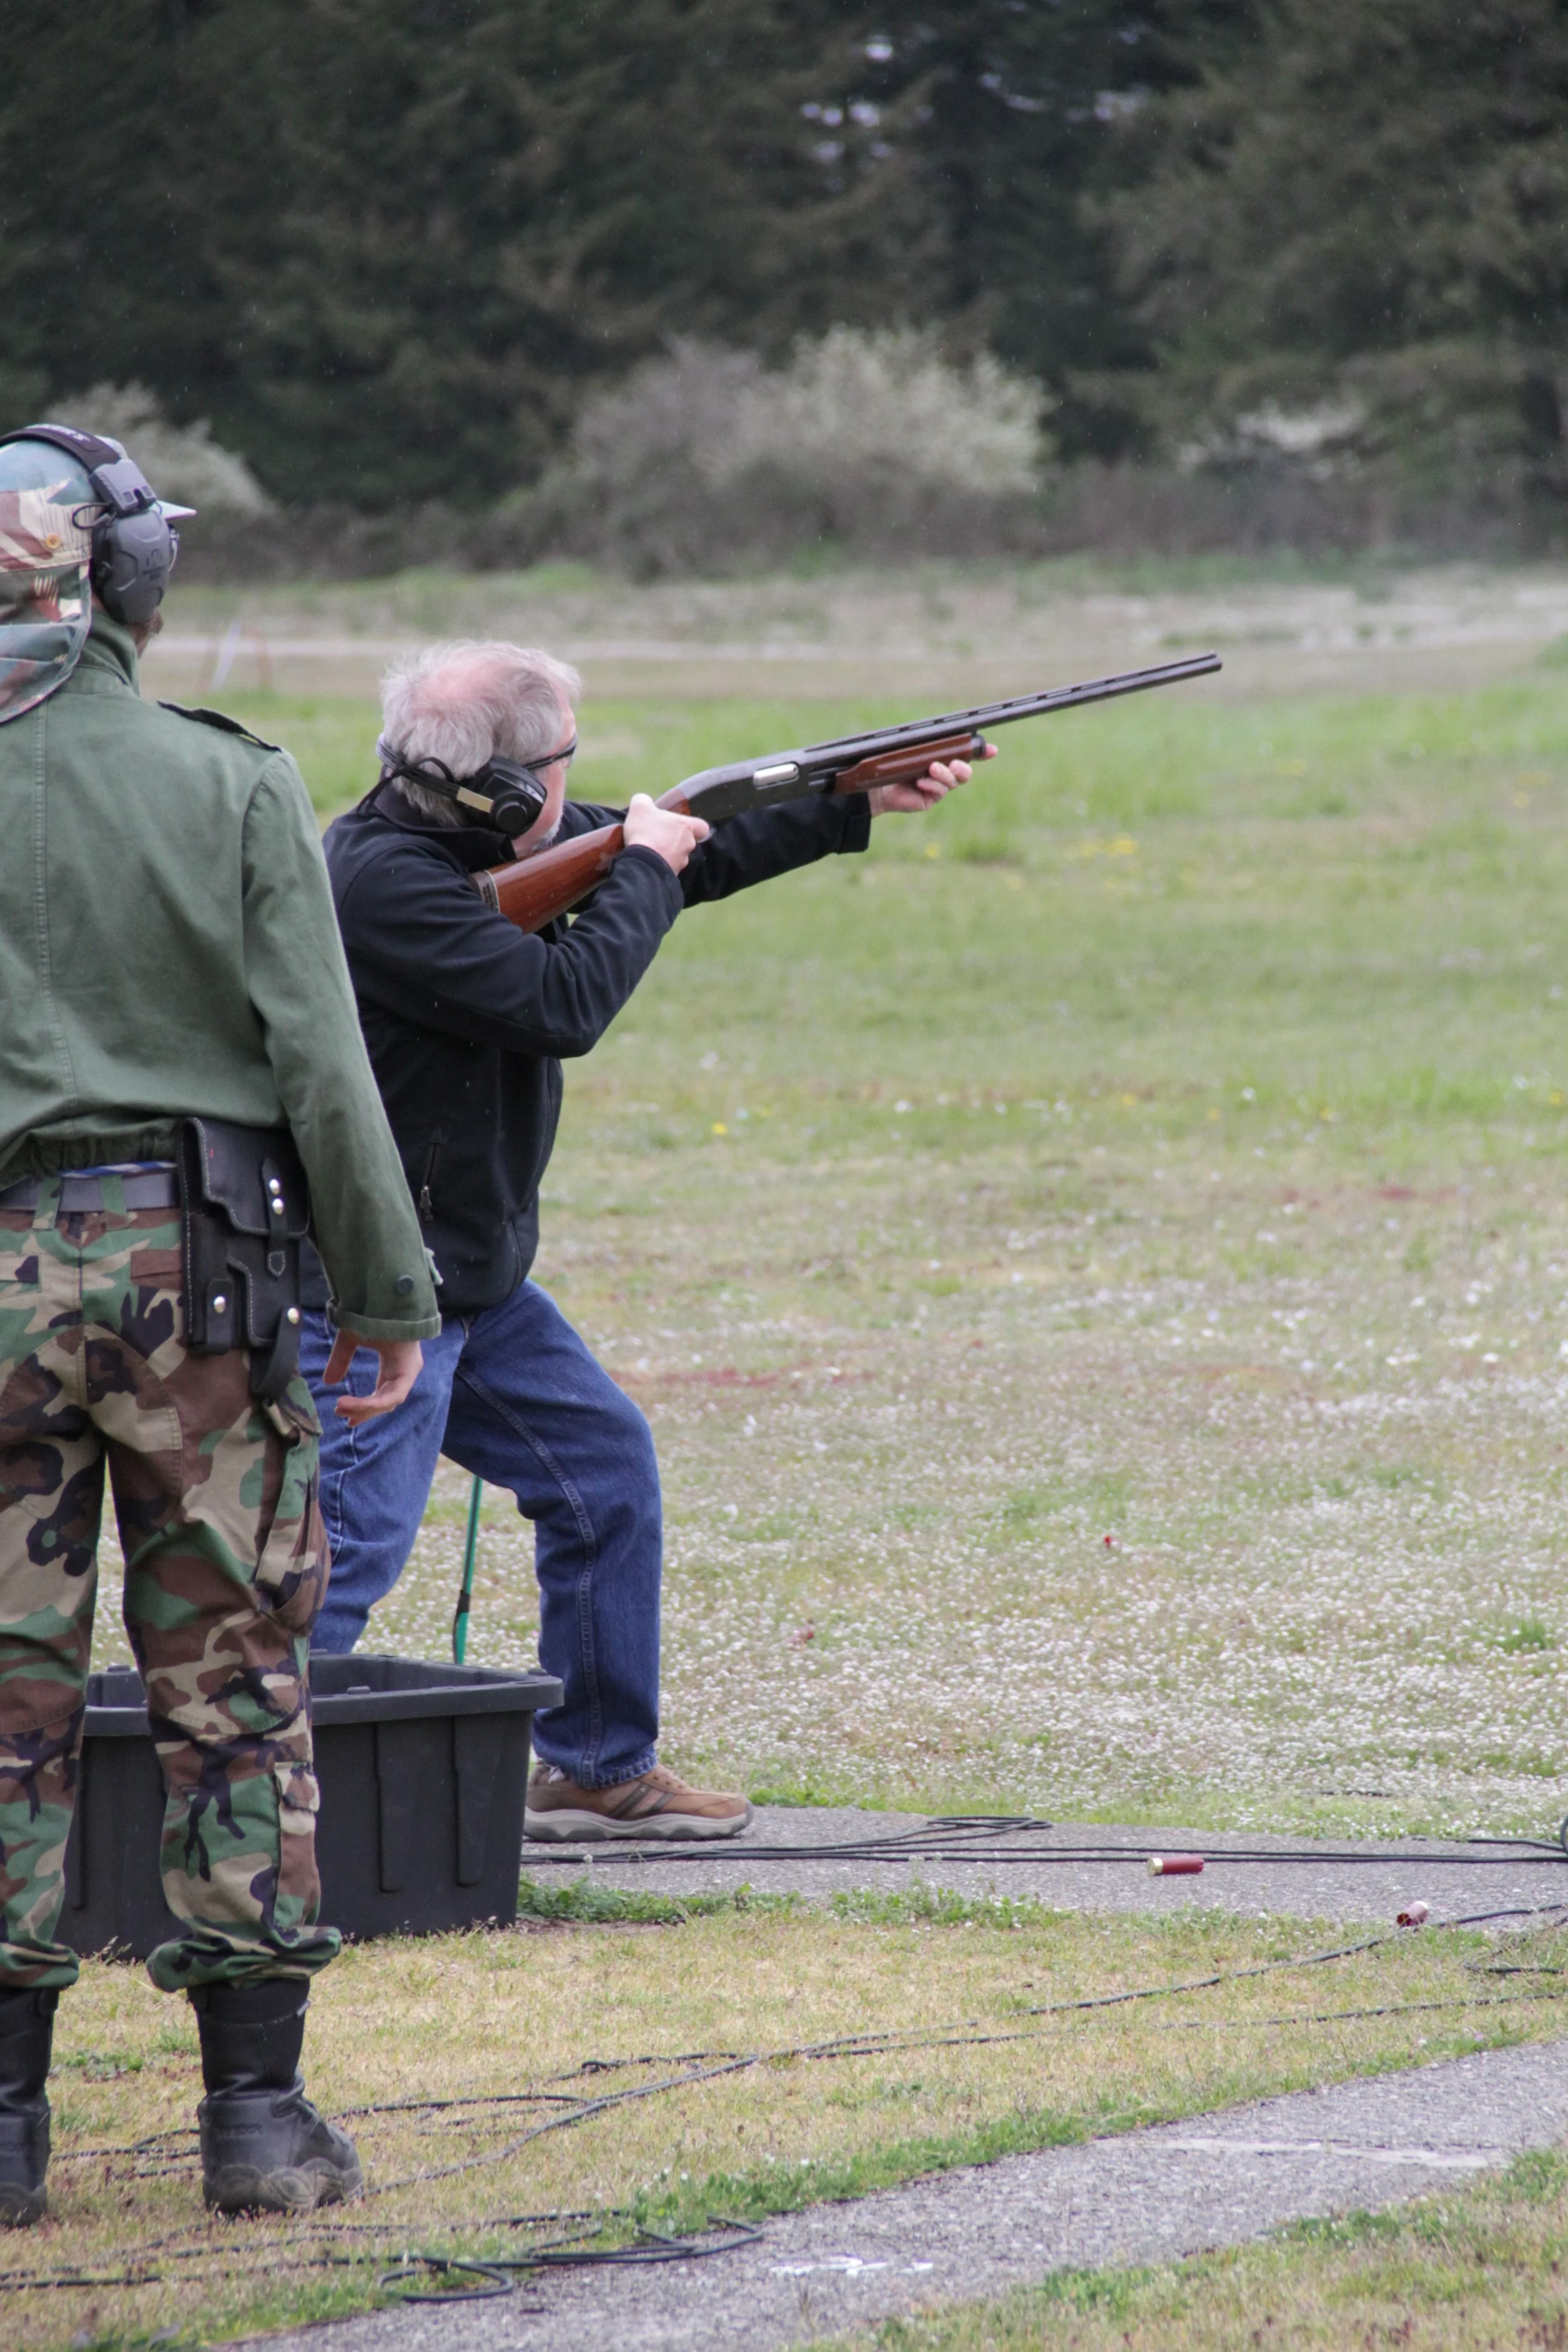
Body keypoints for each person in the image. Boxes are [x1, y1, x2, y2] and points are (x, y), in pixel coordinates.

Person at [302, 640, 982, 1841]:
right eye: (564, 762)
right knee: (343, 1552)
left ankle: (599, 1764)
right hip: (376, 1288)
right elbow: (564, 1004)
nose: (577, 782)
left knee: (603, 1471)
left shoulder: (487, 836)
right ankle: (230, 1808)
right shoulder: (380, 883)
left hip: (477, 1280)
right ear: (509, 786)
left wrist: (850, 801)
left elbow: (675, 846)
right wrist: (649, 871)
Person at [0, 424, 439, 2224]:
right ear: (126, 577)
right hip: (200, 1283)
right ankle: (256, 2123)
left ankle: (4, 2141)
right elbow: (319, 1066)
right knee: (234, 1691)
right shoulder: (230, 779)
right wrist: (392, 1286)